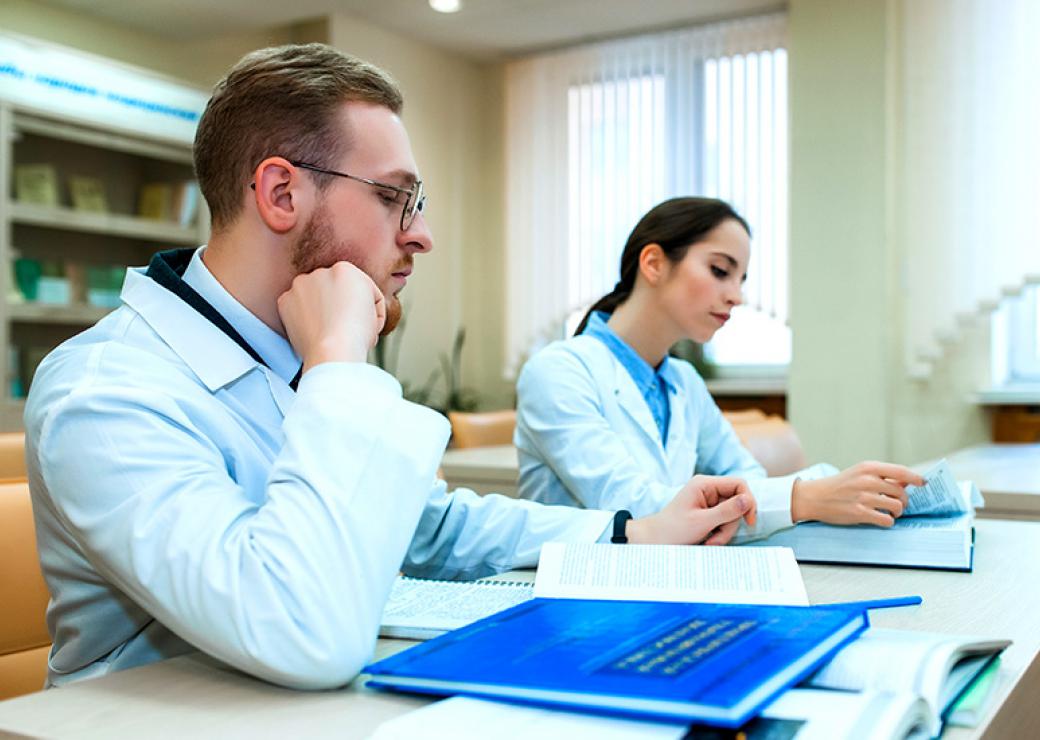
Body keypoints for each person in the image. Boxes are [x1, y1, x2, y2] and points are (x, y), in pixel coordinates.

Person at [23, 46, 760, 692]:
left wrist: (632, 534)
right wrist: (337, 368)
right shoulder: (107, 390)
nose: (423, 235)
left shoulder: (294, 353)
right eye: (393, 198)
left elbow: (430, 526)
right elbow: (295, 631)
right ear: (282, 194)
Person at [514, 197, 925, 539]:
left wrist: (807, 495)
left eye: (741, 278)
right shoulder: (557, 372)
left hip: (664, 583)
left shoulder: (683, 381)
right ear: (654, 263)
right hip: (574, 600)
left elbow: (744, 476)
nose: (737, 296)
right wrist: (806, 497)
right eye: (719, 271)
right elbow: (638, 510)